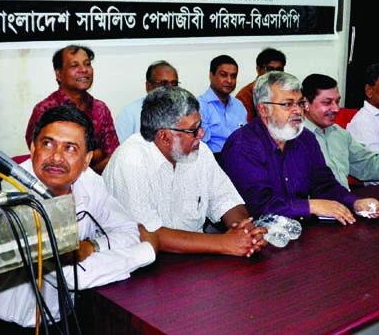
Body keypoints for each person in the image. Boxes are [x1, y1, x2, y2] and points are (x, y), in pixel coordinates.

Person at [0, 106, 157, 332]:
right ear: (32, 147)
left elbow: (128, 231)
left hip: (68, 317)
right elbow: (67, 276)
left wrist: (91, 246)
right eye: (48, 144)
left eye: (70, 148)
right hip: (11, 327)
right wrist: (147, 251)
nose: (56, 157)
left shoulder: (88, 180)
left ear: (87, 159)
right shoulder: (13, 192)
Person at [103, 87, 266, 257]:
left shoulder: (200, 151)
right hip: (138, 265)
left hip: (194, 260)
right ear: (164, 136)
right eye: (193, 130)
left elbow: (226, 200)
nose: (201, 134)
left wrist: (246, 232)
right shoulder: (132, 159)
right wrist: (224, 243)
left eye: (200, 125)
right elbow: (148, 233)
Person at [220, 72, 379, 226]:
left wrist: (354, 202)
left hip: (299, 230)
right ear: (263, 109)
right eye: (287, 104)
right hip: (259, 236)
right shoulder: (243, 145)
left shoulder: (305, 138)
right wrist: (311, 206)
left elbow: (323, 184)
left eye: (300, 103)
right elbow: (258, 206)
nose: (298, 110)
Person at [301, 74, 379, 189]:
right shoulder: (295, 138)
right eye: (327, 102)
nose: (336, 109)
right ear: (305, 104)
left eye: (337, 101)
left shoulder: (340, 134)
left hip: (346, 202)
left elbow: (367, 164)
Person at [25, 45, 119, 174]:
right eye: (74, 66)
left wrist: (85, 177)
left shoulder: (100, 109)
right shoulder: (45, 109)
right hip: (55, 186)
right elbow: (42, 156)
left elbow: (113, 156)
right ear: (59, 74)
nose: (84, 70)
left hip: (95, 183)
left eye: (87, 64)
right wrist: (96, 154)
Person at [115, 60, 179, 142]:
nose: (170, 88)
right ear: (148, 86)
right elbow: (119, 151)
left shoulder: (184, 113)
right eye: (163, 83)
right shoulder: (129, 114)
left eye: (174, 84)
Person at [198, 55, 247, 156]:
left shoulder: (239, 105)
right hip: (214, 160)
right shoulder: (200, 106)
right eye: (223, 75)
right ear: (211, 76)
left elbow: (246, 138)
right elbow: (201, 146)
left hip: (240, 158)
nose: (229, 80)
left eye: (233, 76)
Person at [235, 48, 286, 123]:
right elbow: (243, 126)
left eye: (278, 69)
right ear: (258, 69)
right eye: (269, 69)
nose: (274, 74)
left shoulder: (286, 91)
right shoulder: (245, 95)